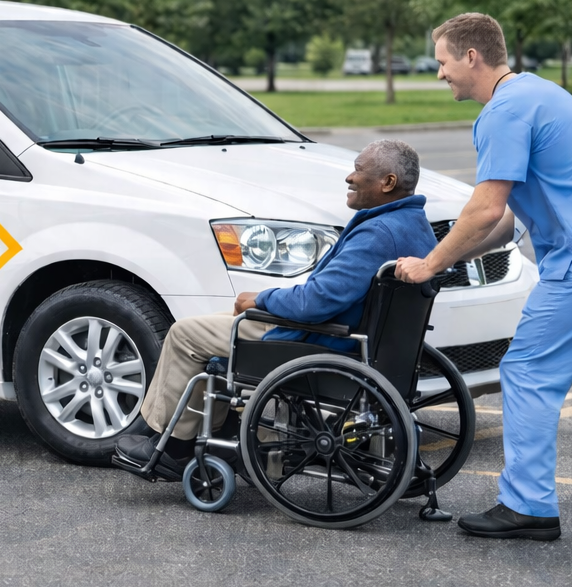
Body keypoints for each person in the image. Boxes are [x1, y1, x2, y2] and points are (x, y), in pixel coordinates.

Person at [394, 13, 572, 542]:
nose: (439, 74)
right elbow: (506, 219)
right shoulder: (539, 94)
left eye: (442, 62)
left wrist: (430, 265)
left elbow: (485, 209)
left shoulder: (503, 112)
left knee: (527, 370)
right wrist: (447, 255)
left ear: (471, 57)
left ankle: (527, 505)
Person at [116, 139, 437, 481]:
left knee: (185, 335)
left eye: (358, 171)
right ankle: (198, 430)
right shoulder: (414, 225)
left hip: (319, 338)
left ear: (387, 183)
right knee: (218, 329)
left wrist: (262, 298)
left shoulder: (379, 233)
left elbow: (318, 301)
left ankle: (173, 446)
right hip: (360, 339)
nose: (349, 177)